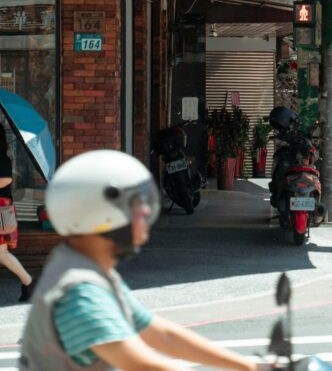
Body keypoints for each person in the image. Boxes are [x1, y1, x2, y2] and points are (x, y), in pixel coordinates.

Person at [19, 150, 268, 371]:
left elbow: (160, 334)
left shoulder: (88, 270)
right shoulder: (79, 291)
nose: (146, 212)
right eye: (137, 205)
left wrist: (249, 366)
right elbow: (142, 364)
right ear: (102, 216)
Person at [1, 133, 33, 303]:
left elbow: (6, 179)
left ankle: (28, 281)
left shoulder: (2, 157)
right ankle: (28, 282)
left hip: (0, 208)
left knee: (2, 254)